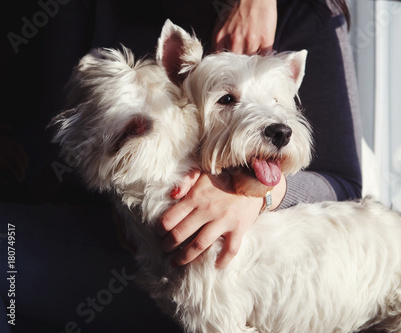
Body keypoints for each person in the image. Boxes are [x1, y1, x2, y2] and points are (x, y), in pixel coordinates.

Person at [0, 0, 360, 331]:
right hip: (116, 236)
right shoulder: (83, 12)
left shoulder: (305, 14)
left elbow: (344, 183)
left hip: (219, 269)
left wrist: (256, 196)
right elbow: (55, 132)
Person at [158, 0, 362, 268]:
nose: (277, 125)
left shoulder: (309, 15)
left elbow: (345, 187)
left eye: (277, 102)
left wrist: (262, 197)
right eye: (228, 99)